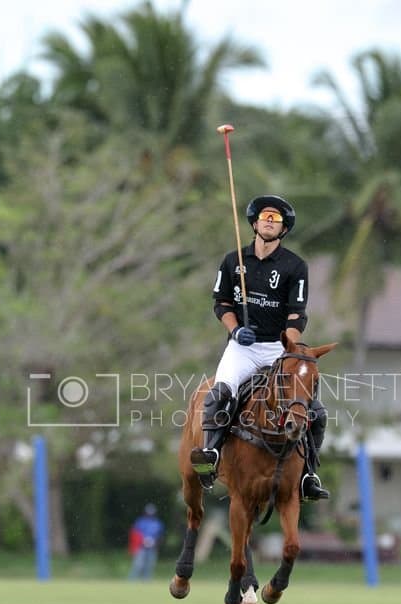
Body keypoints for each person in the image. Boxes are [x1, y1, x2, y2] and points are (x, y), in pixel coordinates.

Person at [189, 194, 329, 501]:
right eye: (265, 216)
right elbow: (222, 303)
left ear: (283, 229)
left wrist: (288, 345)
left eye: (275, 219)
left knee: (315, 412)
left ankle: (308, 474)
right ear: (254, 223)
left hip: (279, 347)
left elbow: (296, 314)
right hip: (242, 347)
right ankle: (210, 454)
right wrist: (236, 330)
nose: (269, 221)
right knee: (219, 393)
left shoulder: (295, 266)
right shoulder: (232, 261)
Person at [127, 503, 165, 581]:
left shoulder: (158, 523)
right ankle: (131, 581)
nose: (150, 514)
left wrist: (156, 544)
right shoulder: (140, 521)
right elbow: (135, 534)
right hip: (141, 547)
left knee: (149, 566)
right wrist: (142, 541)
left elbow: (161, 536)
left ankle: (146, 582)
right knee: (138, 565)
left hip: (152, 548)